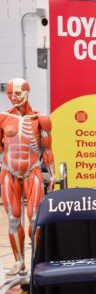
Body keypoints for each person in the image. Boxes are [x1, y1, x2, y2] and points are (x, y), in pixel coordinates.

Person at [0, 78, 55, 276]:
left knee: (34, 220)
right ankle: (19, 262)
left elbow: (47, 149)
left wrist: (53, 174)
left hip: (33, 170)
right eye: (9, 94)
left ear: (27, 92)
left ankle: (36, 261)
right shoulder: (3, 117)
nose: (13, 97)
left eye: (17, 93)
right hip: (9, 172)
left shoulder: (41, 118)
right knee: (13, 219)